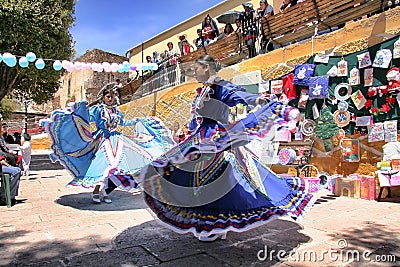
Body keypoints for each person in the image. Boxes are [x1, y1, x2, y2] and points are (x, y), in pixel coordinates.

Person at [136, 55, 315, 242]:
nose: (194, 72)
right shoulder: (204, 90)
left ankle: (216, 225)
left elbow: (243, 96)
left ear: (207, 68)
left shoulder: (220, 87)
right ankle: (212, 225)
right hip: (201, 137)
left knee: (219, 180)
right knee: (187, 177)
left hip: (218, 139)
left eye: (196, 68)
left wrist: (272, 107)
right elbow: (198, 118)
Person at [41, 83, 175, 204]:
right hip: (102, 139)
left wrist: (137, 121)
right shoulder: (99, 110)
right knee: (102, 166)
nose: (110, 99)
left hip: (117, 139)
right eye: (108, 96)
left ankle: (105, 192)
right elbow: (87, 118)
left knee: (116, 166)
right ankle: (96, 192)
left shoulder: (117, 111)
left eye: (112, 96)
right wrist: (81, 109)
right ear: (103, 97)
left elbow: (122, 123)